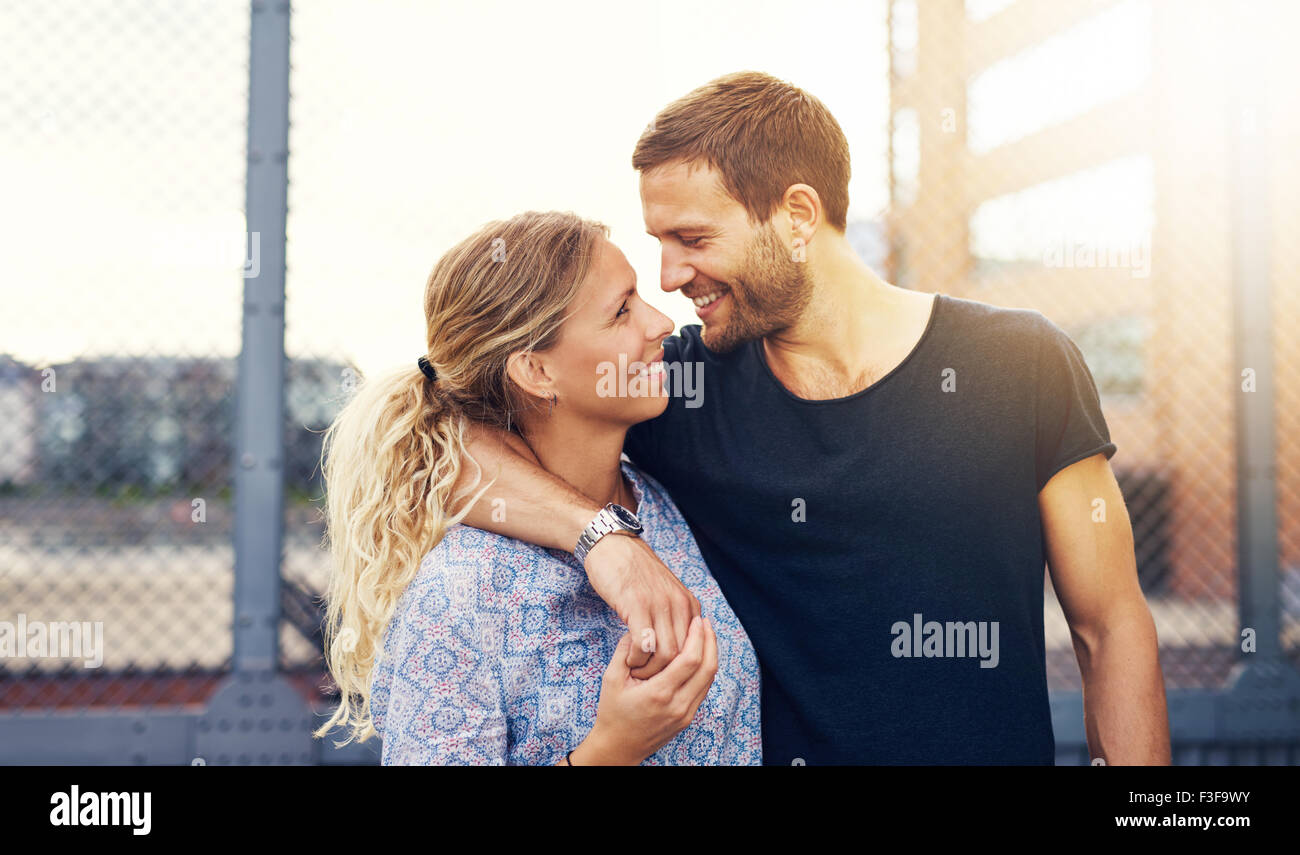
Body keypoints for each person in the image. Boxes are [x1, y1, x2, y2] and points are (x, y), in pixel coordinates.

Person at [452, 71, 1172, 764]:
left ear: (797, 215)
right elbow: (451, 447)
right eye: (660, 245)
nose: (669, 277)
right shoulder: (676, 389)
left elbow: (1109, 628)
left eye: (692, 239)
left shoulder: (1022, 362)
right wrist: (602, 539)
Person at [313, 210, 762, 765]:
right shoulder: (458, 592)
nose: (660, 324)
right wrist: (611, 749)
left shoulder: (663, 502)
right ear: (536, 372)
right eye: (621, 311)